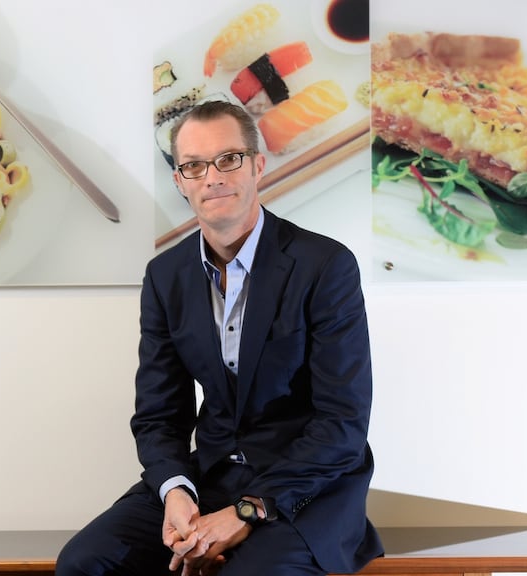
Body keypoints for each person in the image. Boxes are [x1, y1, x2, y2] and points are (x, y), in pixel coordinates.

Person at [56, 100, 382, 576]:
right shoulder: (165, 276)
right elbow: (158, 415)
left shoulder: (325, 266)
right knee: (84, 564)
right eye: (194, 165)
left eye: (229, 159)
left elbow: (343, 424)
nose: (212, 177)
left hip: (304, 489)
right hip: (208, 476)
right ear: (180, 181)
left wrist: (246, 511)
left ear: (257, 166)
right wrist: (175, 491)